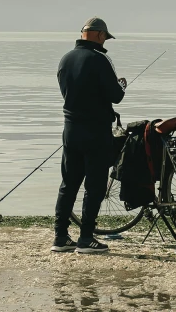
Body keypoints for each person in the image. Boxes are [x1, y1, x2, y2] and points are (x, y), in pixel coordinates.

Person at [51, 17, 127, 254]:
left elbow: (73, 94)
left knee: (68, 184)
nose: (106, 41)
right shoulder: (100, 59)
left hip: (70, 131)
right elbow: (116, 95)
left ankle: (60, 237)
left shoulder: (66, 59)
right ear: (96, 34)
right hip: (95, 133)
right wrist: (122, 85)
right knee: (94, 187)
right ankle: (86, 239)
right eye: (105, 36)